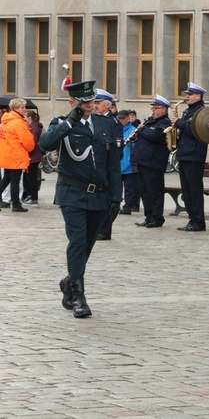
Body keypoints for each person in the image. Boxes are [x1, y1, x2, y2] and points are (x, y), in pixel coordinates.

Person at [39, 80, 122, 318]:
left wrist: (116, 196)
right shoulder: (61, 123)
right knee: (76, 242)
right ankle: (78, 296)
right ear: (72, 102)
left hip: (99, 194)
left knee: (87, 243)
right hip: (72, 193)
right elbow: (46, 144)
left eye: (91, 101)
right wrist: (71, 120)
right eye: (84, 102)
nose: (89, 106)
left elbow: (112, 164)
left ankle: (69, 280)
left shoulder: (105, 123)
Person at [131, 95, 173, 228]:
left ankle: (157, 217)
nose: (153, 111)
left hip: (154, 162)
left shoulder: (165, 123)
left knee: (155, 192)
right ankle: (148, 216)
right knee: (145, 191)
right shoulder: (150, 121)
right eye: (153, 108)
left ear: (164, 110)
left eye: (156, 108)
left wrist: (142, 129)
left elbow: (156, 136)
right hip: (143, 160)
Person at [173, 82, 208, 231]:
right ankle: (192, 219)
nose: (186, 97)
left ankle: (198, 221)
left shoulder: (202, 112)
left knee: (194, 190)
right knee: (187, 191)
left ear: (198, 96)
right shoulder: (188, 111)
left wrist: (179, 123)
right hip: (184, 154)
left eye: (190, 94)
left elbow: (196, 130)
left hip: (195, 155)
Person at [93, 89, 123, 240]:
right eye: (95, 103)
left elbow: (117, 148)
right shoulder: (94, 119)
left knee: (109, 198)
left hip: (109, 164)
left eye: (98, 103)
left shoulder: (113, 122)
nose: (95, 106)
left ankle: (104, 230)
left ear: (108, 106)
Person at [0, 98, 35, 212]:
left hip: (7, 154)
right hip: (16, 155)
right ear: (15, 108)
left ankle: (14, 203)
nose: (25, 109)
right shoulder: (18, 122)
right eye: (22, 107)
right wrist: (30, 147)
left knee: (6, 179)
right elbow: (27, 140)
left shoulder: (5, 121)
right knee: (15, 181)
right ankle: (16, 204)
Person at [118, 110, 140, 215]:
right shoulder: (114, 129)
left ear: (128, 118)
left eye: (123, 118)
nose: (121, 120)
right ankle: (115, 205)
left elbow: (137, 147)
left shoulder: (133, 131)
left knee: (130, 189)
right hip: (117, 165)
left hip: (129, 165)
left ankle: (128, 207)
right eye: (119, 118)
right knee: (117, 188)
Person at [22, 110, 44, 205]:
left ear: (30, 118)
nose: (25, 119)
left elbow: (32, 143)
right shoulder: (33, 127)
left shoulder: (34, 128)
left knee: (31, 177)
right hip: (33, 156)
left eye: (26, 117)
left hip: (33, 157)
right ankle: (29, 195)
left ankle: (33, 197)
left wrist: (26, 152)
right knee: (28, 177)